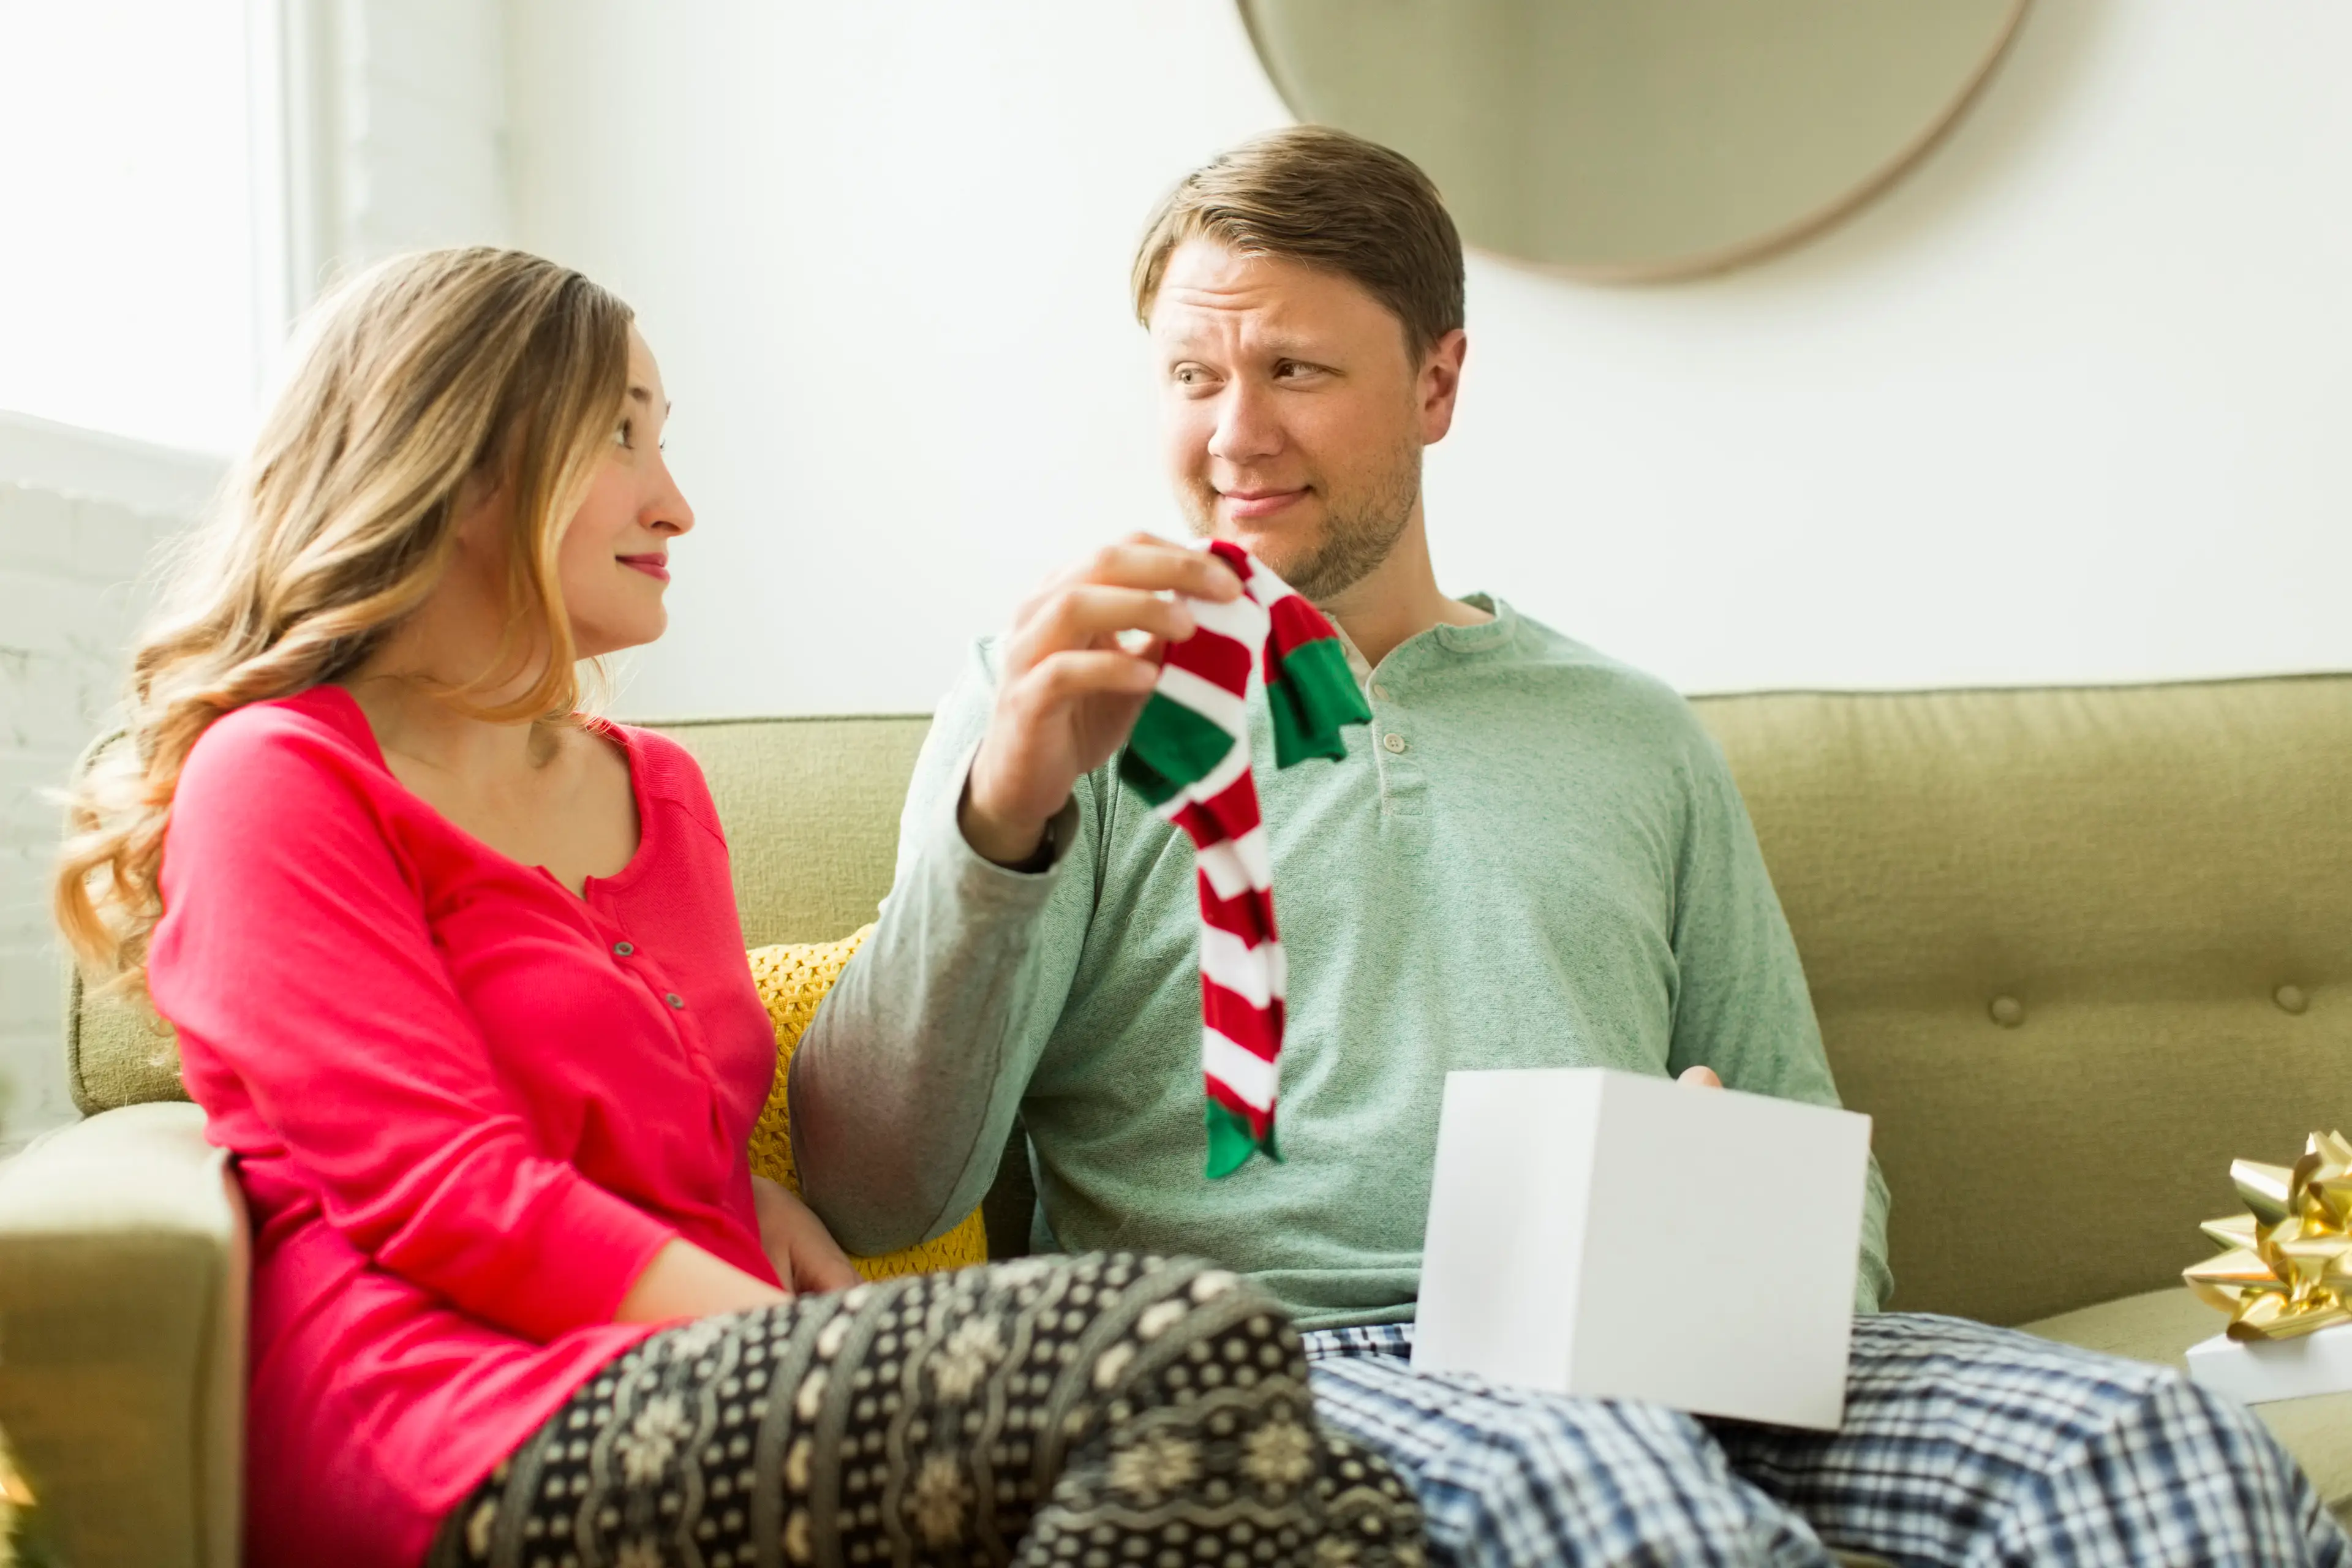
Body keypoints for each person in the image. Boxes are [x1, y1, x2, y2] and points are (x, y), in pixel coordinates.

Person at [792, 129, 2352, 1567]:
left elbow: (1808, 1140)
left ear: (1438, 383)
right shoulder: (1053, 700)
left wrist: (1732, 1223)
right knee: (1629, 1500)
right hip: (1289, 1357)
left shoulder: (1630, 731)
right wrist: (1002, 817)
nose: (1234, 433)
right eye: (1192, 374)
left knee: (2172, 1454)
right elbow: (876, 1189)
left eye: (1294, 369)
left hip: (1680, 1338)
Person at [53, 247, 1423, 1568]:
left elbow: (677, 1135)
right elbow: (446, 1190)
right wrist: (811, 1341)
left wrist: (750, 1205)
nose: (676, 506)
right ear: (458, 459)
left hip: (715, 1407)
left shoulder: (659, 795)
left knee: (1352, 1501)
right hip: (451, 1425)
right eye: (621, 435)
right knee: (1183, 1338)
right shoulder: (282, 776)